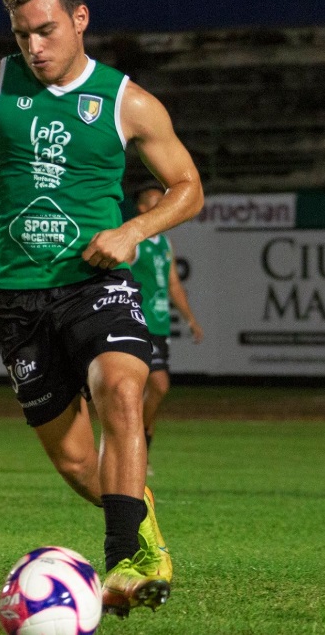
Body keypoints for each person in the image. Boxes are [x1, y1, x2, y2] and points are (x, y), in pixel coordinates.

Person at [0, 0, 203, 618]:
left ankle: (126, 560)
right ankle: (145, 536)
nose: (34, 46)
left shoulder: (128, 101)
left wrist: (135, 230)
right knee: (78, 467)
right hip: (18, 299)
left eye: (46, 30)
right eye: (22, 34)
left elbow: (189, 189)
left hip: (96, 281)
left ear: (79, 19)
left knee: (121, 391)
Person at [131, 184, 205, 475]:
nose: (160, 205)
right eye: (152, 202)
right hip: (139, 322)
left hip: (159, 324)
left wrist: (190, 319)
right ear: (140, 209)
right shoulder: (134, 241)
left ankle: (139, 444)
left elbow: (173, 284)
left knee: (150, 392)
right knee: (158, 385)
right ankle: (139, 440)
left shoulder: (164, 243)